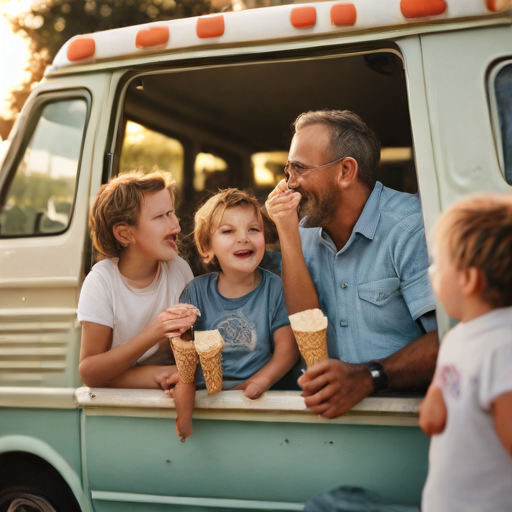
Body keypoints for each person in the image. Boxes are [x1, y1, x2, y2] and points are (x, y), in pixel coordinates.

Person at [265, 110, 438, 418]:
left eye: (299, 169)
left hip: (405, 419)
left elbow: (450, 338)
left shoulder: (410, 227)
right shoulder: (301, 230)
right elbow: (306, 327)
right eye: (287, 170)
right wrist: (288, 234)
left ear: (345, 171)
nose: (288, 184)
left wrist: (368, 376)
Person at [419, 195, 512, 512]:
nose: (432, 272)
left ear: (469, 280)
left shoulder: (494, 346)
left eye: (439, 263)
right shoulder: (467, 338)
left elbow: (431, 419)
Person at [78, 171, 199, 389]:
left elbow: (185, 355)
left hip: (165, 386)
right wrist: (154, 332)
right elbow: (89, 372)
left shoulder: (179, 269)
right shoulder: (101, 282)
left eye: (172, 213)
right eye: (160, 216)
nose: (177, 226)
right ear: (125, 235)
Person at [178, 188, 299, 399]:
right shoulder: (195, 291)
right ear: (207, 248)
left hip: (259, 399)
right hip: (205, 399)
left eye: (253, 229)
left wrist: (259, 382)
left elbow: (287, 350)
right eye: (228, 231)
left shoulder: (276, 288)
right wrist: (184, 384)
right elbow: (184, 349)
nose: (244, 238)